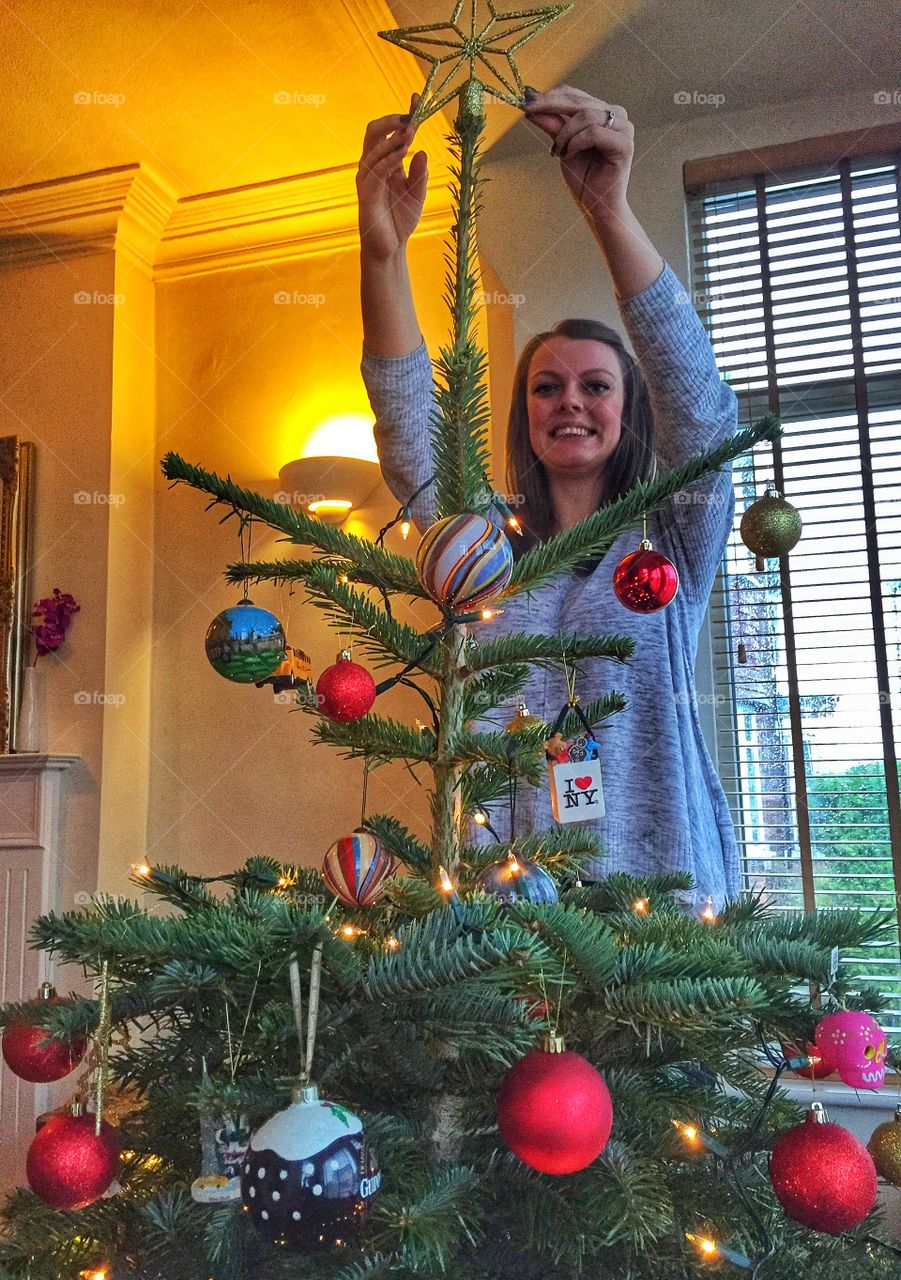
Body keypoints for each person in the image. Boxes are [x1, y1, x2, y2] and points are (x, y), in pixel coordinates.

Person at [357, 87, 740, 908]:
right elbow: (406, 435)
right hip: (507, 922)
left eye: (595, 385)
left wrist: (607, 209)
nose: (569, 401)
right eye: (546, 387)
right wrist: (381, 255)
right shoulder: (476, 546)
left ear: (627, 407)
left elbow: (702, 406)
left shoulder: (669, 533)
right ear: (523, 413)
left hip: (667, 912)